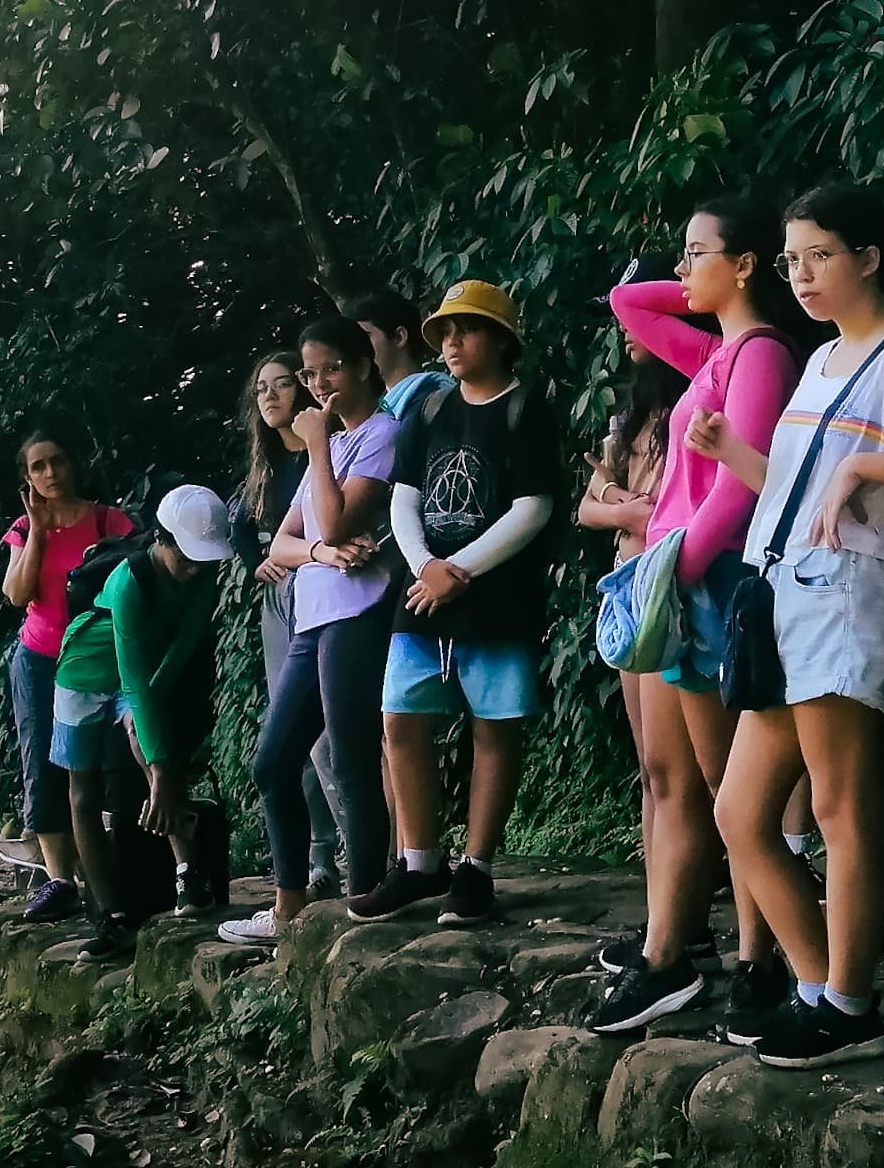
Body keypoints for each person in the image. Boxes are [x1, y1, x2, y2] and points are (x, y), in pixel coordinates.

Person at [703, 186, 884, 1068]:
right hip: (786, 592)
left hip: (856, 591)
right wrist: (726, 454)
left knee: (839, 806)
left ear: (867, 256)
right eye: (791, 260)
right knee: (742, 813)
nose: (803, 274)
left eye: (820, 255)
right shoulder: (821, 358)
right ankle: (822, 984)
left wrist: (863, 463)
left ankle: (849, 1001)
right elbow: (795, 484)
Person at [585, 199, 804, 1034]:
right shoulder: (717, 350)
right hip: (675, 580)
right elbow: (629, 304)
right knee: (674, 778)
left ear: (746, 264)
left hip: (704, 583)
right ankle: (666, 956)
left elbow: (742, 489)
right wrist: (699, 280)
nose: (678, 270)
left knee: (727, 791)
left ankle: (754, 959)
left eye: (696, 253)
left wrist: (677, 567)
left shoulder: (761, 356)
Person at [365, 281, 563, 924]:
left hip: (496, 595)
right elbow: (404, 494)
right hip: (423, 591)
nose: (451, 343)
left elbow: (534, 506)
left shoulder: (526, 407)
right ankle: (420, 862)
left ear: (501, 340)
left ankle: (475, 868)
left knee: (494, 727)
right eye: (445, 332)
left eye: (466, 330)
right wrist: (426, 564)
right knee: (400, 717)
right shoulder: (428, 410)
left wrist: (462, 570)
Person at [222, 318, 402, 945]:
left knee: (352, 761)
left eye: (329, 369)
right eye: (309, 373)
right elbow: (288, 539)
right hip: (313, 614)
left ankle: (365, 900)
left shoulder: (379, 436)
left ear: (360, 367)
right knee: (272, 762)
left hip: (358, 612)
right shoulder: (335, 442)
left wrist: (320, 447)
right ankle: (288, 907)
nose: (316, 384)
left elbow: (330, 518)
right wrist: (321, 554)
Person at [53, 485, 234, 957]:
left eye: (204, 559)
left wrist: (158, 767)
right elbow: (132, 678)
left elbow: (179, 651)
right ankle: (110, 916)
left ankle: (189, 877)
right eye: (187, 557)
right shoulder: (130, 580)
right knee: (83, 792)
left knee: (157, 752)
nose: (196, 568)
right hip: (85, 672)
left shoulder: (203, 573)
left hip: (143, 674)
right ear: (162, 539)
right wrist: (156, 768)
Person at [0, 429, 134, 922]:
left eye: (57, 461)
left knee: (113, 764)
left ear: (73, 463)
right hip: (40, 659)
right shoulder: (22, 528)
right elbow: (16, 595)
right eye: (38, 466)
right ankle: (59, 879)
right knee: (44, 765)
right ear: (27, 477)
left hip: (103, 661)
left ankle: (122, 868)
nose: (50, 473)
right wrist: (37, 529)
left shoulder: (107, 521)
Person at [237, 351, 343, 905]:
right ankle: (318, 861)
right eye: (262, 389)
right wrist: (258, 559)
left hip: (327, 594)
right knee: (291, 738)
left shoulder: (327, 449)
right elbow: (242, 526)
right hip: (282, 598)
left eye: (283, 384)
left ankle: (365, 855)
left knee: (329, 739)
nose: (272, 396)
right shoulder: (266, 461)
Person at [580, 325, 690, 858]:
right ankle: (660, 907)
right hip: (629, 591)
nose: (626, 330)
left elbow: (666, 518)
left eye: (639, 315)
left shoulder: (696, 400)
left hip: (676, 590)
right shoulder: (633, 416)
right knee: (652, 766)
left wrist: (617, 502)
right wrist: (621, 503)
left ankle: (684, 916)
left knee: (681, 770)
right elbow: (588, 506)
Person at [349, 289, 452, 420]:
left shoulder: (436, 401)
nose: (354, 350)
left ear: (399, 337)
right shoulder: (382, 408)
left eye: (363, 338)